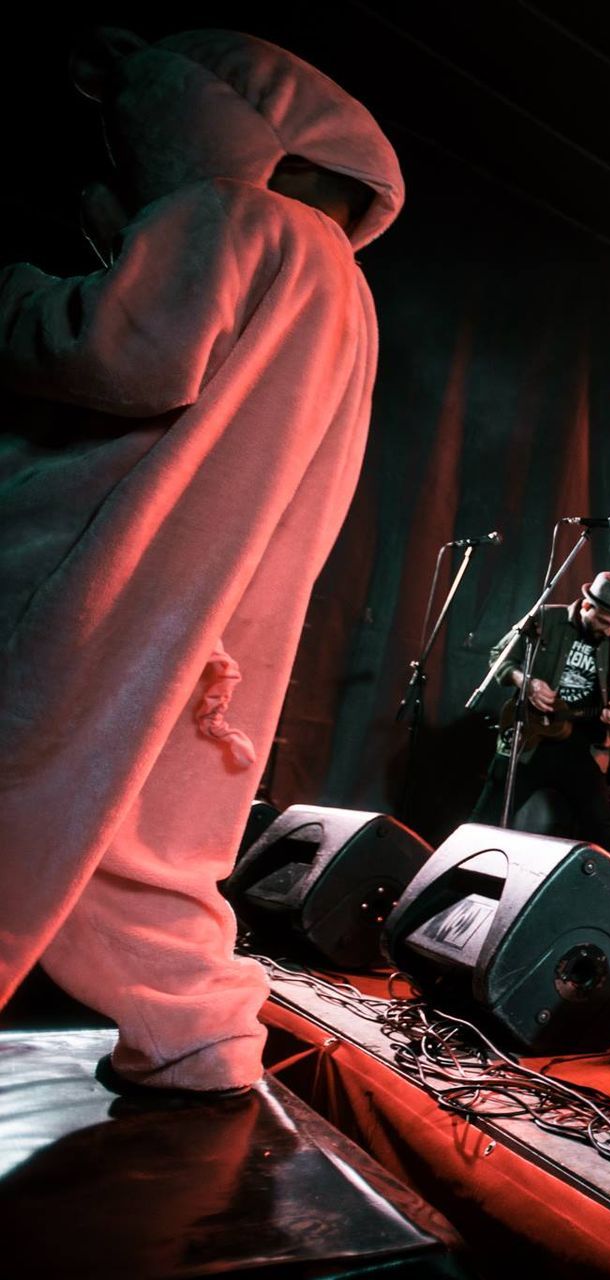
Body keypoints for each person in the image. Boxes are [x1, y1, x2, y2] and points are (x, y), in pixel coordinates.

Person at [0, 29, 403, 1100]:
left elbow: (121, 352)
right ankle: (197, 1042)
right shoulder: (345, 288)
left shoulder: (233, 217)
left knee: (29, 782)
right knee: (153, 848)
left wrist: (16, 299)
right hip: (218, 613)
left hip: (103, 573)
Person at [473, 571, 610, 854]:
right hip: (530, 739)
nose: (609, 631)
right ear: (586, 606)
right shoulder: (546, 619)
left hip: (580, 746)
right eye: (604, 622)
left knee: (602, 832)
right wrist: (526, 683)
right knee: (487, 819)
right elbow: (498, 656)